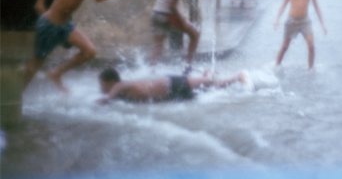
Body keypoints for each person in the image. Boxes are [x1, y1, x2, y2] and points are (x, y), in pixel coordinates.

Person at [24, 0, 132, 92]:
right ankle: (15, 94)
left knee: (89, 51)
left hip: (65, 26)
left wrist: (41, 0)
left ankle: (56, 73)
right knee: (36, 64)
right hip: (50, 25)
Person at [150, 0, 207, 72]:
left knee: (158, 47)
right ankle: (188, 66)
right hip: (168, 15)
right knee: (195, 35)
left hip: (156, 14)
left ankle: (151, 70)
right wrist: (183, 22)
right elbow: (172, 7)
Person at [274, 0, 327, 69]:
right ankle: (276, 66)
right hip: (291, 21)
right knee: (284, 47)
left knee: (311, 46)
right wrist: (277, 19)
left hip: (305, 22)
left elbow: (317, 8)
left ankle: (311, 69)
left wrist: (322, 25)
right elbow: (284, 4)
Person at [97, 68, 248, 104]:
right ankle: (207, 75)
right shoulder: (123, 91)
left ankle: (237, 77)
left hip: (170, 84)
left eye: (101, 83)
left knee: (214, 84)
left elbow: (106, 100)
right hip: (171, 94)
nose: (100, 87)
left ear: (110, 82)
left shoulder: (119, 86)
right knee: (211, 89)